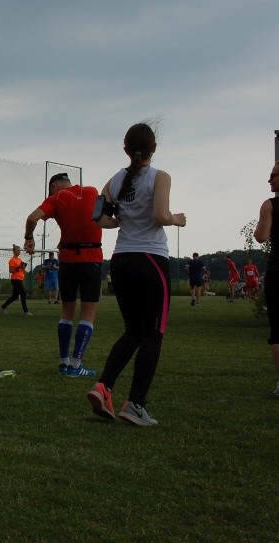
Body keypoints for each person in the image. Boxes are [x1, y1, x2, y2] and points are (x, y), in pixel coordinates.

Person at [87, 122, 186, 426]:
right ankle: (136, 404)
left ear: (126, 149)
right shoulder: (160, 177)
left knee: (133, 330)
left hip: (121, 260)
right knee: (153, 333)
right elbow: (159, 215)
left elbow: (98, 217)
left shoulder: (115, 179)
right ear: (153, 149)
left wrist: (120, 222)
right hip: (151, 259)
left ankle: (103, 387)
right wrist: (177, 219)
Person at [24, 172, 103, 377]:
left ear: (53, 187)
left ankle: (63, 362)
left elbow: (32, 218)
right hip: (92, 257)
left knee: (67, 312)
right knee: (88, 314)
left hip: (67, 259)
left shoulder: (56, 198)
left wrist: (28, 238)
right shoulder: (92, 191)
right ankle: (77, 365)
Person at [254, 162, 279, 396]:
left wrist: (258, 228)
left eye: (273, 175)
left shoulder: (270, 205)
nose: (269, 180)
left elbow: (261, 236)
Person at [1, 245, 31, 315]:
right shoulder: (12, 260)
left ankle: (3, 307)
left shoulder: (19, 260)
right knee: (23, 293)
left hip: (19, 279)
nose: (19, 251)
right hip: (15, 279)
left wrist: (23, 267)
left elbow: (21, 269)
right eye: (18, 250)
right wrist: (19, 267)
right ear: (14, 251)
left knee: (14, 297)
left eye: (19, 250)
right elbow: (11, 270)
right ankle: (25, 311)